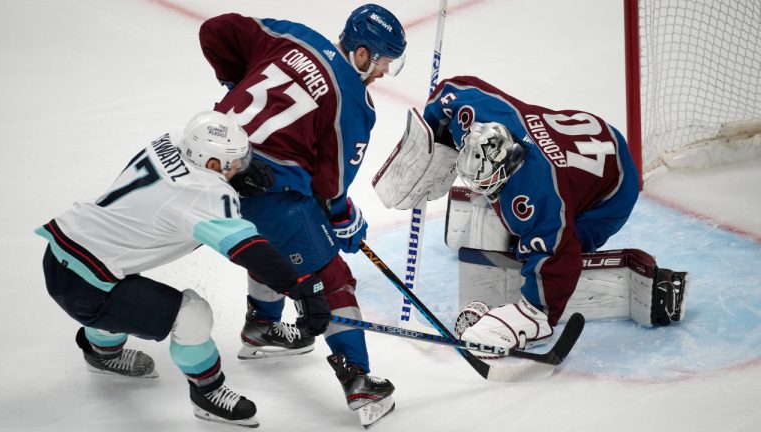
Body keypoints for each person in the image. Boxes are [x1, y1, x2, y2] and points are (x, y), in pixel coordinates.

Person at [35, 111, 331, 428]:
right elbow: (250, 250)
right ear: (213, 164)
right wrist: (299, 284)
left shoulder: (172, 140)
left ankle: (101, 351)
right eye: (234, 163)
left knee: (119, 289)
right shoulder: (204, 194)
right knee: (193, 314)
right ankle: (209, 394)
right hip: (87, 286)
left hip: (63, 250)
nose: (241, 167)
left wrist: (229, 172)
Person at [196, 3, 406, 427]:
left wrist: (238, 83)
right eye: (382, 62)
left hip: (204, 161)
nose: (382, 73)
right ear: (362, 54)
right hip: (263, 192)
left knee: (266, 240)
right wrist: (346, 221)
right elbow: (331, 188)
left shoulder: (289, 34)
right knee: (332, 275)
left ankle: (264, 326)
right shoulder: (355, 104)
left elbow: (215, 30)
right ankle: (360, 382)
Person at [373, 75, 688, 353]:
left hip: (612, 194)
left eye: (485, 182)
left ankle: (640, 288)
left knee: (550, 253)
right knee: (507, 216)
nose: (481, 187)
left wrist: (533, 315)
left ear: (506, 171)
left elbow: (557, 259)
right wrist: (434, 137)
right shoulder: (477, 115)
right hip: (586, 140)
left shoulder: (536, 195)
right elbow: (452, 90)